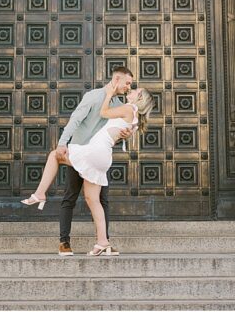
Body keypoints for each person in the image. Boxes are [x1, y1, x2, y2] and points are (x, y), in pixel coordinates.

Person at [20, 66, 146, 256]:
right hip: (80, 151)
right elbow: (75, 120)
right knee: (70, 197)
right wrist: (63, 143)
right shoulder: (94, 96)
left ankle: (104, 242)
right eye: (127, 83)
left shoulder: (120, 103)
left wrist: (126, 136)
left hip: (96, 154)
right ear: (116, 79)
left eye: (131, 85)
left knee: (100, 200)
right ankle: (64, 242)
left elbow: (119, 129)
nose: (129, 87)